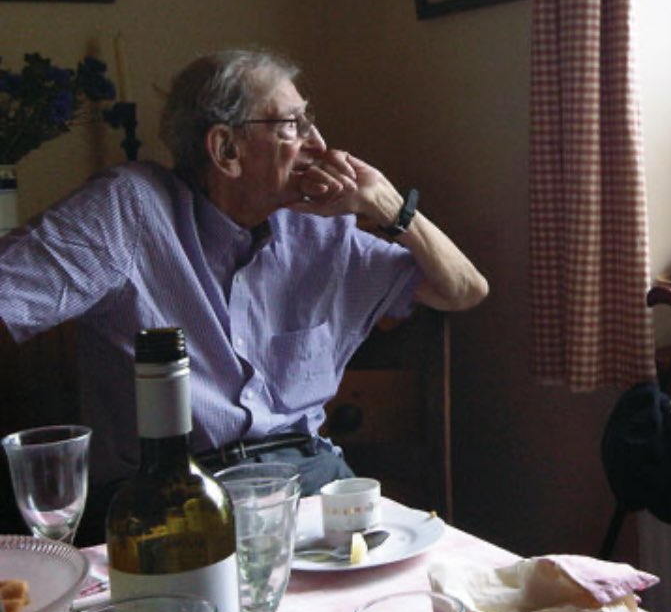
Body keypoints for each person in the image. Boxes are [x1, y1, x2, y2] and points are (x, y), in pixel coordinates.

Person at [0, 49, 488, 541]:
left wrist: (386, 202)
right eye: (292, 125)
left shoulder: (319, 232)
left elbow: (463, 289)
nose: (317, 143)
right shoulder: (130, 210)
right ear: (225, 150)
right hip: (170, 501)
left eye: (309, 121)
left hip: (311, 489)